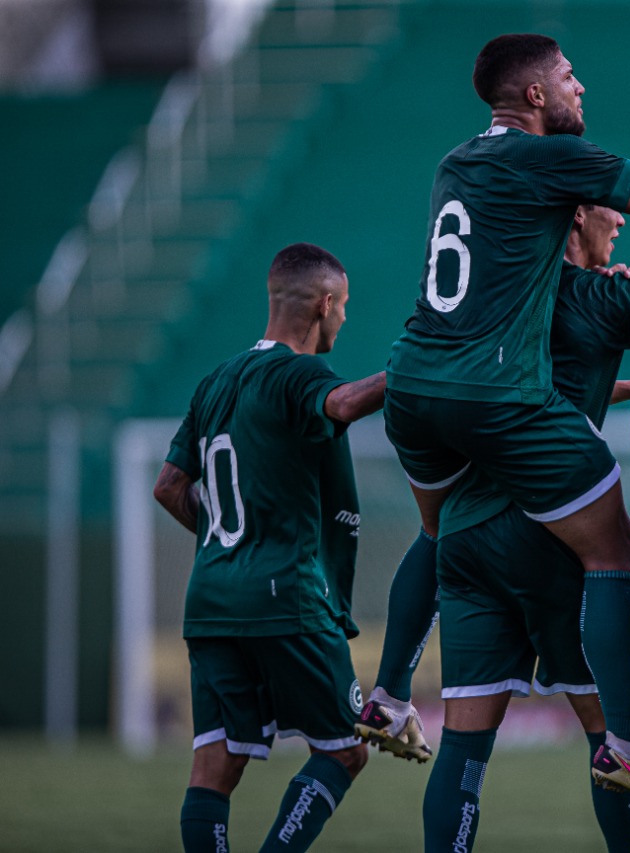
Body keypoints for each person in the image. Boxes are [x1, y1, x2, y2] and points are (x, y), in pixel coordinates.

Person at [368, 31, 630, 800]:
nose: (580, 88)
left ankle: (389, 693)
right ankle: (627, 744)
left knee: (434, 533)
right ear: (534, 96)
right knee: (614, 547)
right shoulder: (550, 164)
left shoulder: (456, 164)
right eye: (568, 76)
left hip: (415, 388)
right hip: (493, 397)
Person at [413, 203, 630, 852]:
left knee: (463, 746)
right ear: (575, 218)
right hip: (550, 526)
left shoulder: (490, 300)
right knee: (613, 744)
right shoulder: (601, 296)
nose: (622, 221)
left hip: (465, 531)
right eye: (610, 208)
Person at [152, 243, 387, 852]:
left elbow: (168, 486)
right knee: (344, 750)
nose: (344, 320)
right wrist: (419, 367)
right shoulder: (298, 372)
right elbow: (343, 403)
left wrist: (228, 542)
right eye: (345, 308)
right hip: (286, 595)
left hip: (209, 599)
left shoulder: (216, 381)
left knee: (216, 767)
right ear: (326, 304)